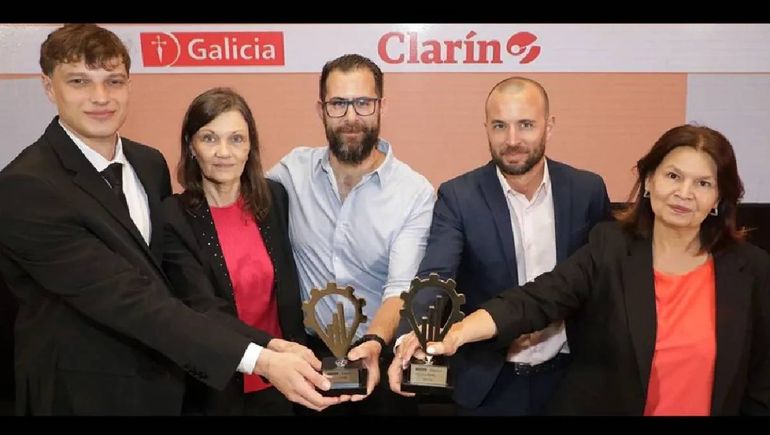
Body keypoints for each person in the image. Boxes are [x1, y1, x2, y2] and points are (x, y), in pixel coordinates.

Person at [0, 24, 341, 415]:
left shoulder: (148, 164)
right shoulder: (25, 188)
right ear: (48, 87)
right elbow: (131, 299)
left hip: (164, 383)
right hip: (83, 393)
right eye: (79, 81)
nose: (100, 97)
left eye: (113, 81)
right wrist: (258, 359)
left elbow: (176, 285)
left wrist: (266, 344)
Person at [416, 124, 770, 415]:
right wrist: (458, 333)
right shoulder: (610, 248)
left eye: (703, 183)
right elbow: (536, 299)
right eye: (673, 176)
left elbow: (761, 382)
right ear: (648, 182)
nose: (684, 193)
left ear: (719, 199)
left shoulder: (751, 271)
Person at [388, 76, 611, 416]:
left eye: (525, 125)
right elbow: (435, 276)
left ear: (549, 127)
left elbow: (606, 280)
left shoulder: (586, 191)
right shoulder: (458, 197)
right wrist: (411, 336)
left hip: (571, 379)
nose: (512, 140)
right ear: (486, 129)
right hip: (489, 384)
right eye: (499, 126)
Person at [267, 54, 435, 415]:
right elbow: (237, 199)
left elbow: (400, 289)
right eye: (338, 104)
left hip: (380, 356)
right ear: (321, 109)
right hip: (309, 363)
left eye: (363, 103)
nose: (351, 117)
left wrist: (374, 342)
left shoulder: (414, 192)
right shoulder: (291, 172)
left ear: (381, 106)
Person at [162, 87, 319, 415]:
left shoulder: (274, 199)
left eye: (236, 139)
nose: (224, 152)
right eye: (209, 138)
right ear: (191, 146)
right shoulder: (174, 217)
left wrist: (286, 356)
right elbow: (204, 309)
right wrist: (271, 349)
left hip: (282, 384)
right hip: (218, 385)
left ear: (250, 147)